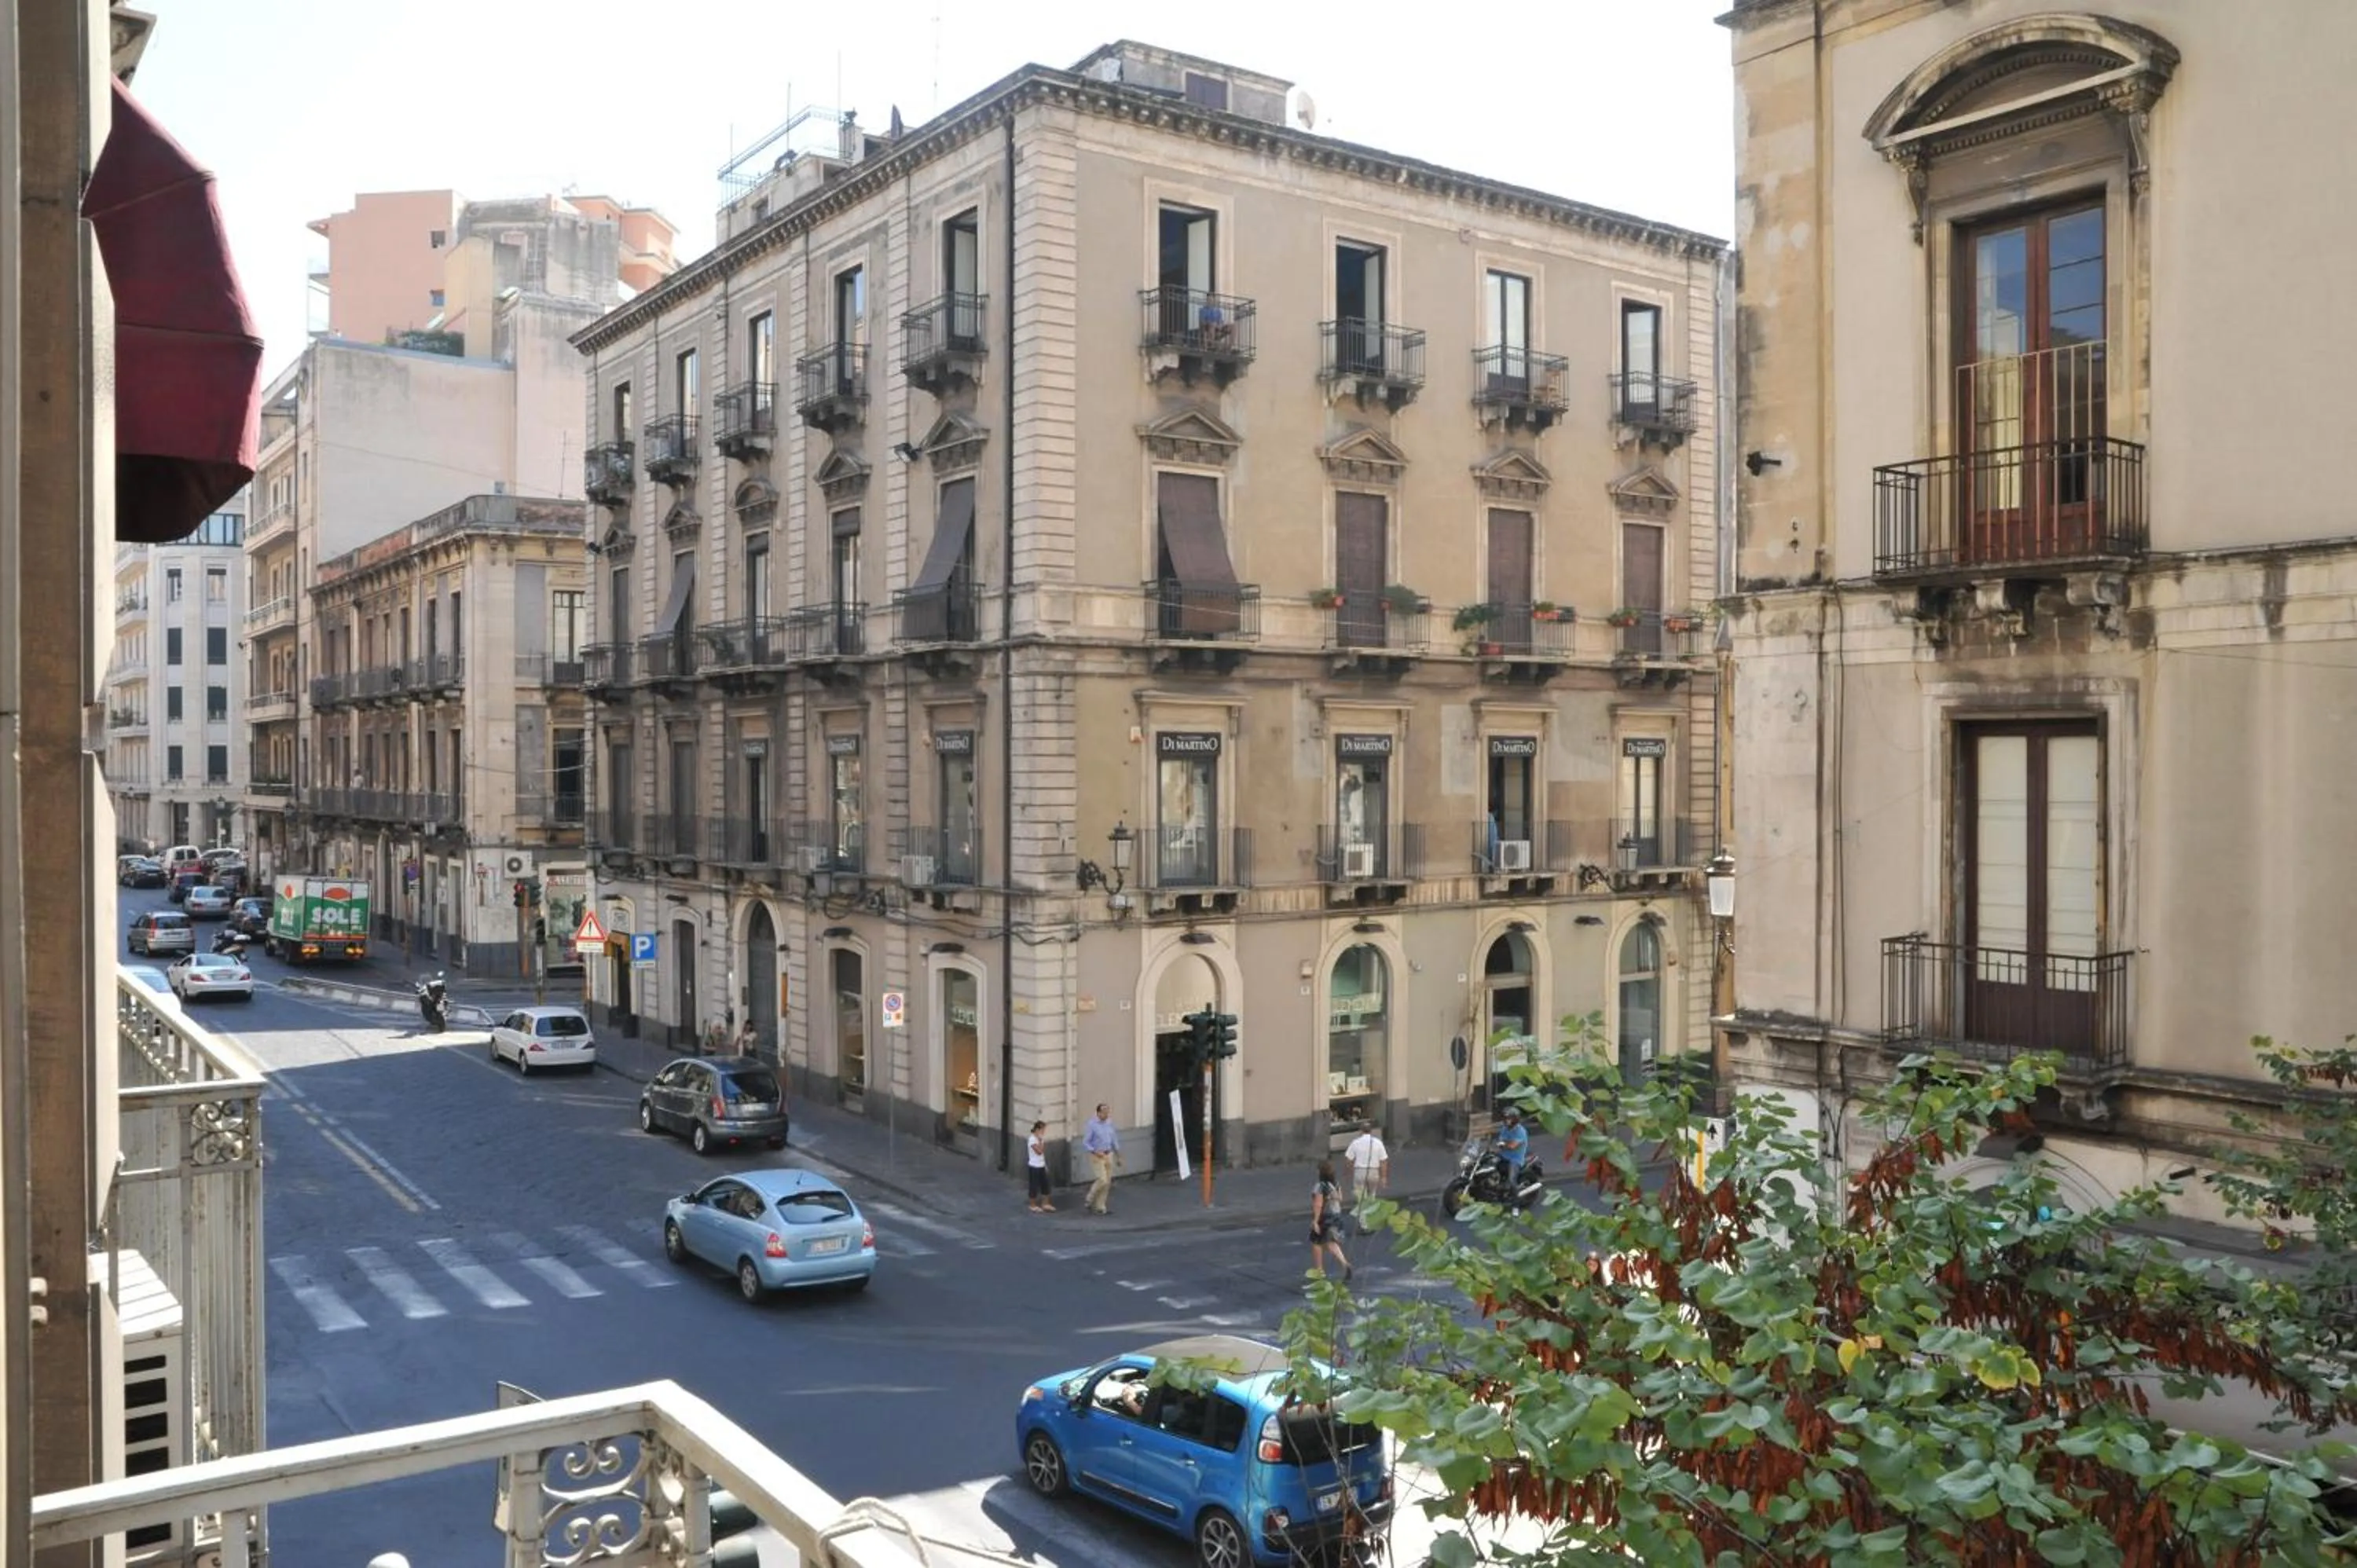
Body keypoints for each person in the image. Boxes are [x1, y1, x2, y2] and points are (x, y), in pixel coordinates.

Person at [1309, 1160, 1352, 1283]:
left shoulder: (1320, 1186)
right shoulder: (1336, 1184)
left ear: (1320, 1172)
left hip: (1325, 1217)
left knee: (1316, 1242)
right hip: (1336, 1216)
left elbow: (1318, 1204)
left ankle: (1319, 1271)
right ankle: (1345, 1264)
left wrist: (1315, 1221)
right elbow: (1341, 1198)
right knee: (1330, 1243)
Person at [1342, 1125, 1389, 1236]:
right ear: (1371, 1131)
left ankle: (1364, 1225)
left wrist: (1347, 1173)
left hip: (1360, 1172)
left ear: (1361, 1131)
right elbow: (1384, 1161)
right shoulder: (1378, 1143)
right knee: (1372, 1198)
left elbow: (1348, 1159)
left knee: (1361, 1200)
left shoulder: (1355, 1143)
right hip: (1373, 1172)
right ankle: (1371, 1222)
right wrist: (1384, 1177)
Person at [1082, 1103, 1124, 1215]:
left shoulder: (1109, 1123)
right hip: (1097, 1155)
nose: (1106, 1114)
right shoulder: (1092, 1124)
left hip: (1108, 1154)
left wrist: (1118, 1155)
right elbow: (1086, 1142)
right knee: (1102, 1179)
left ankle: (1100, 1206)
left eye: (1107, 1112)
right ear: (1098, 1113)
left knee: (1107, 1182)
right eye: (1104, 1112)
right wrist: (1095, 1151)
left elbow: (1114, 1139)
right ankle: (1090, 1198)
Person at [1026, 1119, 1056, 1213]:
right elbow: (1039, 1152)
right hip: (1034, 1166)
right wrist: (1040, 1141)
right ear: (1037, 1129)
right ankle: (1032, 1205)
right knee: (1034, 1186)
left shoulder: (1041, 1139)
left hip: (1041, 1165)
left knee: (1045, 1185)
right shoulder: (1032, 1139)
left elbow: (1042, 1155)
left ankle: (1045, 1204)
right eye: (1042, 1130)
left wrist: (1045, 1165)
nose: (1043, 1132)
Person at [1495, 1107, 1529, 1179]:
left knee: (1511, 1181)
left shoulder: (1520, 1131)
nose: (1505, 1121)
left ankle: (1514, 1190)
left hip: (1515, 1159)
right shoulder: (1505, 1129)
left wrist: (1504, 1144)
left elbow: (1512, 1146)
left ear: (1515, 1119)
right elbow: (1501, 1141)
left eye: (1508, 1119)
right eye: (1505, 1118)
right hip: (1503, 1156)